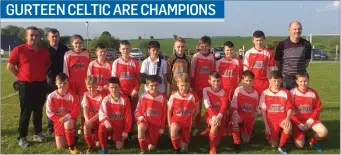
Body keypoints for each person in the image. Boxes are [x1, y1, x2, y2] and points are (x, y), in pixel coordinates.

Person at [7, 26, 50, 148]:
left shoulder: (44, 50)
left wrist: (38, 74)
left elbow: (46, 65)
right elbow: (10, 67)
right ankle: (22, 137)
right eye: (31, 35)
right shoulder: (19, 49)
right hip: (25, 85)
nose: (34, 37)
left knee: (38, 110)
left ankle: (38, 133)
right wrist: (21, 77)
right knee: (26, 111)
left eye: (36, 35)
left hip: (41, 84)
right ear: (26, 36)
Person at [290, 72, 328, 152]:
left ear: (308, 81)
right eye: (301, 81)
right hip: (298, 122)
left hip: (311, 120)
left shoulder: (313, 92)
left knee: (323, 132)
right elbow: (289, 110)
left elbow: (317, 108)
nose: (303, 83)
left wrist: (310, 121)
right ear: (296, 81)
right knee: (300, 146)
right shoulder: (292, 92)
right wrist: (299, 124)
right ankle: (300, 133)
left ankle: (312, 141)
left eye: (305, 81)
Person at [112, 40, 140, 141]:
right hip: (119, 93)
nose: (125, 51)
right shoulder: (116, 62)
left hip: (132, 93)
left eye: (127, 48)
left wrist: (135, 90)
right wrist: (117, 93)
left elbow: (138, 79)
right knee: (118, 112)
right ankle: (119, 130)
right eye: (123, 49)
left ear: (130, 49)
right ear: (120, 49)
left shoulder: (135, 62)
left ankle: (130, 132)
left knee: (131, 113)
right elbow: (114, 80)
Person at [259, 70, 293, 154]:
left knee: (288, 127)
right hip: (270, 120)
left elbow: (289, 108)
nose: (277, 83)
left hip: (282, 118)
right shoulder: (265, 93)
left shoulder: (286, 93)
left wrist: (287, 119)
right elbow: (263, 111)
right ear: (269, 80)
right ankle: (271, 134)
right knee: (273, 144)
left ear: (281, 80)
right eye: (274, 80)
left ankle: (281, 146)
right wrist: (266, 126)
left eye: (279, 80)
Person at [63, 34, 91, 134]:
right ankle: (72, 126)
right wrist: (66, 83)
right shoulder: (67, 54)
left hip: (84, 84)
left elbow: (90, 69)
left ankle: (84, 126)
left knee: (84, 105)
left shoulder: (87, 53)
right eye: (76, 43)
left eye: (80, 43)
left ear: (82, 43)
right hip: (72, 83)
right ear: (72, 43)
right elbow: (65, 70)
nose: (78, 45)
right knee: (73, 106)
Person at [46, 73, 80, 154]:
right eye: (60, 83)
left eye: (65, 83)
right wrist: (59, 120)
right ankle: (72, 136)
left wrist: (67, 117)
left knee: (68, 123)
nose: (62, 85)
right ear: (56, 83)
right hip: (58, 121)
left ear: (68, 83)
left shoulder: (72, 95)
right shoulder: (51, 96)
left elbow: (77, 110)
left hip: (69, 120)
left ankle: (71, 145)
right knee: (60, 147)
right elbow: (49, 112)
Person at [98, 77, 132, 154]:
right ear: (108, 88)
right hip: (110, 124)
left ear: (119, 87)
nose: (114, 89)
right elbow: (102, 113)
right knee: (102, 126)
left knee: (119, 147)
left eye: (116, 87)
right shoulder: (106, 99)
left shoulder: (125, 100)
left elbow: (128, 117)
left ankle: (115, 137)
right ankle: (104, 148)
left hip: (120, 126)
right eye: (112, 87)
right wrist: (106, 122)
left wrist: (125, 131)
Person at [167, 73, 200, 154]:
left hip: (187, 123)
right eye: (182, 85)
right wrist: (169, 125)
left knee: (184, 149)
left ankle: (182, 139)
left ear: (189, 84)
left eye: (186, 85)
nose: (184, 87)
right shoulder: (173, 96)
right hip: (176, 121)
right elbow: (169, 111)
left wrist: (193, 117)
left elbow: (198, 110)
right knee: (174, 129)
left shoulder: (193, 96)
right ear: (177, 84)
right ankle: (176, 149)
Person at [275, 21, 312, 90]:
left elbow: (307, 61)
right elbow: (277, 62)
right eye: (295, 29)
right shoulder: (282, 45)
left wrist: (299, 73)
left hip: (300, 80)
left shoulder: (306, 44)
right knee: (286, 99)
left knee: (299, 100)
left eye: (299, 29)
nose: (297, 31)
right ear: (289, 30)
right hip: (285, 79)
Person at [46, 28, 70, 135]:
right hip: (50, 80)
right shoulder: (45, 51)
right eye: (53, 36)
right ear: (48, 38)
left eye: (57, 36)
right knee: (51, 103)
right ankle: (51, 126)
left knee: (63, 103)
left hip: (62, 80)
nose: (55, 39)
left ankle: (63, 123)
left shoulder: (65, 49)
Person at [191, 36, 216, 136]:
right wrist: (192, 85)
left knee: (209, 107)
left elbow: (214, 72)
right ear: (199, 46)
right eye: (202, 46)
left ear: (210, 46)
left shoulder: (212, 57)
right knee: (197, 107)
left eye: (206, 46)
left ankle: (208, 127)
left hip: (208, 87)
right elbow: (192, 72)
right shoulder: (196, 56)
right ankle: (197, 127)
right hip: (197, 86)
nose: (204, 48)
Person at [135, 75, 167, 154]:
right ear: (147, 86)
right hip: (145, 121)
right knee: (140, 127)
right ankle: (143, 150)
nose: (154, 87)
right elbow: (137, 111)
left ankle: (149, 140)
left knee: (151, 148)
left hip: (155, 124)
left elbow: (164, 115)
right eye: (151, 86)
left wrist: (162, 128)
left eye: (156, 85)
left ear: (158, 85)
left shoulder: (162, 98)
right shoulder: (143, 96)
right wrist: (141, 118)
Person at [202, 72, 229, 154]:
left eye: (218, 81)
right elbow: (207, 105)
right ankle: (212, 148)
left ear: (220, 81)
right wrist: (214, 117)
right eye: (213, 81)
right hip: (210, 115)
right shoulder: (205, 90)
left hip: (220, 117)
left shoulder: (224, 92)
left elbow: (224, 107)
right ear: (209, 81)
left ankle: (209, 131)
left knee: (218, 142)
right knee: (215, 124)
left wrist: (218, 117)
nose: (216, 83)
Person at [230, 70, 259, 145]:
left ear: (253, 80)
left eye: (251, 80)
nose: (249, 83)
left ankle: (242, 128)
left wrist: (257, 112)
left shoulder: (256, 93)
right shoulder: (238, 90)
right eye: (246, 81)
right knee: (234, 119)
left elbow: (259, 107)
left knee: (246, 140)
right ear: (242, 80)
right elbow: (233, 103)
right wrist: (235, 113)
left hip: (249, 117)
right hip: (240, 114)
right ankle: (236, 143)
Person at [243, 30, 275, 95]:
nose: (259, 42)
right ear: (253, 40)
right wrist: (247, 81)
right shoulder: (249, 52)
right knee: (252, 101)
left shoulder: (269, 53)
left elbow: (272, 69)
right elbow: (245, 68)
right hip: (252, 81)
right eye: (257, 40)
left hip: (265, 82)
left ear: (264, 39)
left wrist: (271, 81)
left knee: (263, 102)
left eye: (261, 40)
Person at [81, 76, 105, 153]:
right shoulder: (86, 94)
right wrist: (87, 120)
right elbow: (85, 108)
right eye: (89, 87)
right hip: (91, 120)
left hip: (101, 120)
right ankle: (91, 146)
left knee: (99, 144)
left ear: (97, 85)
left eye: (94, 87)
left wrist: (90, 120)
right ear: (86, 86)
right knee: (86, 127)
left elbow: (101, 112)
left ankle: (98, 138)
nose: (91, 89)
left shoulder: (102, 95)